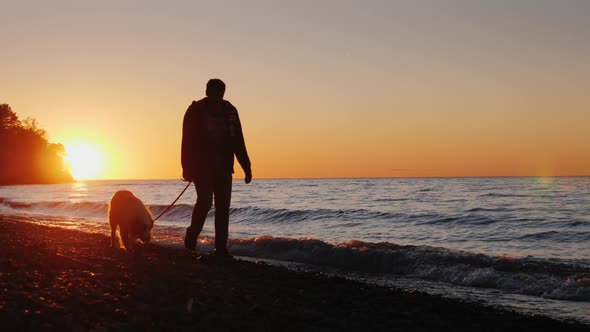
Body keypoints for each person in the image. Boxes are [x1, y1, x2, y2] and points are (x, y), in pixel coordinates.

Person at [181, 79, 252, 257]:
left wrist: (246, 166)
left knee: (223, 206)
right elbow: (186, 140)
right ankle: (191, 237)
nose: (216, 97)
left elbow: (238, 140)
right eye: (213, 92)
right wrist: (186, 167)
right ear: (206, 91)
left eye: (219, 93)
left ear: (223, 93)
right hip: (201, 166)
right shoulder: (195, 110)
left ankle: (220, 248)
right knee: (205, 202)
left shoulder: (230, 110)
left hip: (224, 166)